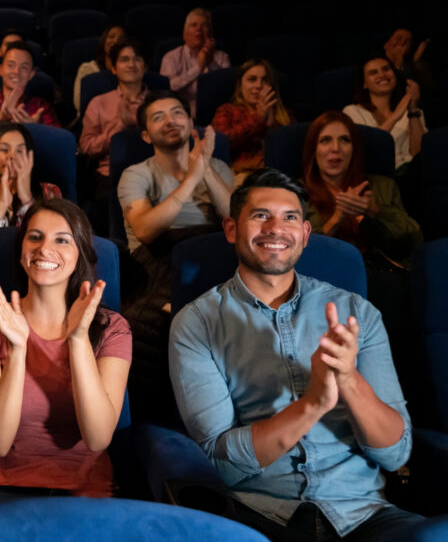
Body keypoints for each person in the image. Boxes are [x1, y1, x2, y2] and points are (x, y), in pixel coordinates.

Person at [169, 168, 422, 541]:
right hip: (259, 514)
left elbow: (395, 454)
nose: (276, 228)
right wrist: (313, 404)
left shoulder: (357, 312)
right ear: (231, 229)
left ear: (305, 235)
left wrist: (349, 379)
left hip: (363, 512)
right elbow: (222, 464)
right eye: (260, 216)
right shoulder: (197, 323)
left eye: (290, 217)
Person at [0, 198, 131, 503]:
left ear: (79, 253)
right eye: (35, 237)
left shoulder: (113, 328)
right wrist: (17, 350)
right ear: (21, 251)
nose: (44, 248)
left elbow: (97, 439)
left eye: (62, 239)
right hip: (6, 491)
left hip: (86, 494)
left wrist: (79, 339)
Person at [117, 91, 232, 415]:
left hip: (214, 254)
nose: (170, 121)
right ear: (145, 134)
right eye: (158, 117)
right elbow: (145, 230)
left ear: (190, 121)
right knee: (145, 325)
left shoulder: (219, 167)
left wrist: (205, 169)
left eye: (177, 112)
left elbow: (236, 220)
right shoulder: (137, 174)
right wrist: (191, 179)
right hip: (159, 257)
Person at [301, 111, 421, 265]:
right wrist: (338, 218)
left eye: (345, 140)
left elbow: (414, 240)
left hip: (379, 276)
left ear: (354, 148)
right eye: (325, 140)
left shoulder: (383, 186)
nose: (336, 148)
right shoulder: (296, 192)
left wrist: (376, 210)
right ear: (313, 149)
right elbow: (299, 253)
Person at [80, 38, 148, 180]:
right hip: (111, 175)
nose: (131, 64)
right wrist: (116, 131)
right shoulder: (99, 102)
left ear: (145, 67)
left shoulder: (159, 102)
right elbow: (86, 148)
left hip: (154, 171)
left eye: (137, 59)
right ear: (114, 69)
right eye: (124, 59)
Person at [343, 54, 425, 171]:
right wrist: (396, 115)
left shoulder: (415, 111)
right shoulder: (352, 111)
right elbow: (365, 151)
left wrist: (412, 112)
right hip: (375, 174)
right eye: (373, 72)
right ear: (364, 84)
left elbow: (419, 154)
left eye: (386, 69)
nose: (382, 75)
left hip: (411, 173)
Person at [211, 59, 291, 177]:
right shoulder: (227, 111)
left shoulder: (284, 114)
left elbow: (291, 150)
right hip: (242, 174)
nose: (258, 85)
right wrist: (258, 118)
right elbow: (223, 143)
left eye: (264, 80)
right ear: (240, 84)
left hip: (279, 174)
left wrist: (271, 123)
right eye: (252, 79)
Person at [0, 42, 60, 130]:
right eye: (10, 65)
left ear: (31, 74)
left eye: (24, 67)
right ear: (1, 70)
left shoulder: (41, 106)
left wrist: (35, 129)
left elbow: (60, 144)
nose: (16, 72)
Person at [160, 8, 230, 118]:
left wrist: (210, 60)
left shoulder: (222, 57)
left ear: (210, 33)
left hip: (216, 113)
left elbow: (227, 89)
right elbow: (169, 87)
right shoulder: (171, 57)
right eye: (194, 25)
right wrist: (198, 68)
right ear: (185, 33)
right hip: (180, 113)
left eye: (204, 25)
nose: (199, 29)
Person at [73, 25, 125, 111]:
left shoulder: (128, 70)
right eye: (111, 37)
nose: (116, 41)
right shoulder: (87, 68)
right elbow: (79, 103)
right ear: (104, 41)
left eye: (121, 38)